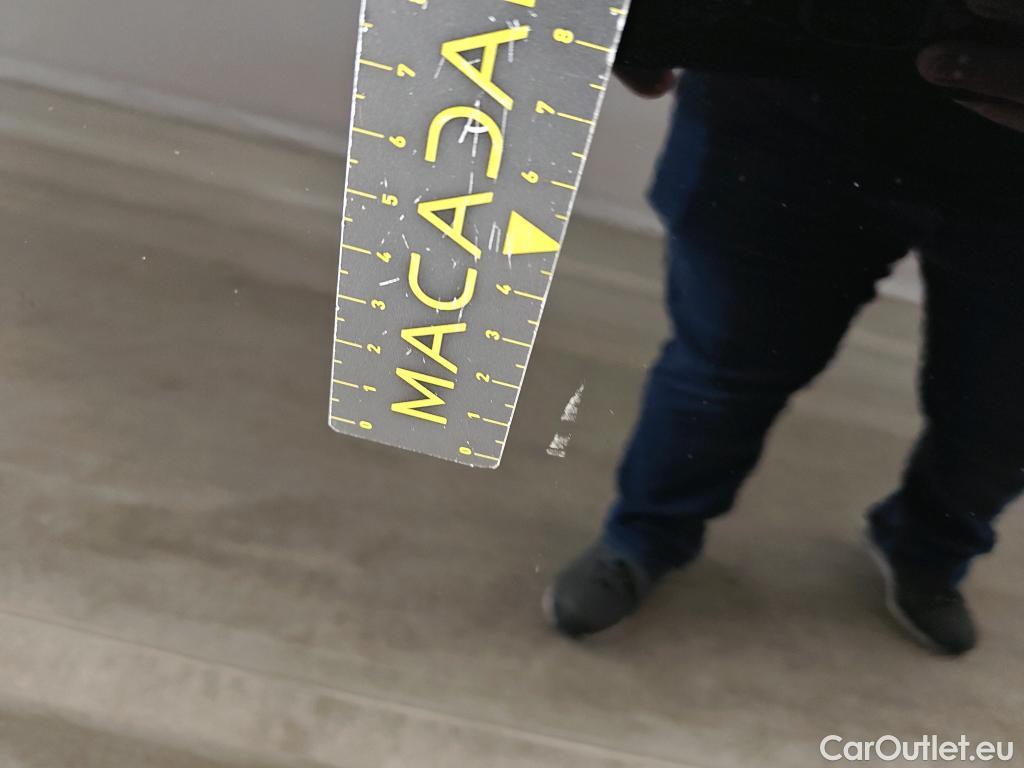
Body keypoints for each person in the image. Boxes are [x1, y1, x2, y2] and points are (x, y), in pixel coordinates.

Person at [545, 0, 1024, 655]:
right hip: (782, 101)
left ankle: (931, 552)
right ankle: (645, 535)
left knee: (1002, 423)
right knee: (720, 372)